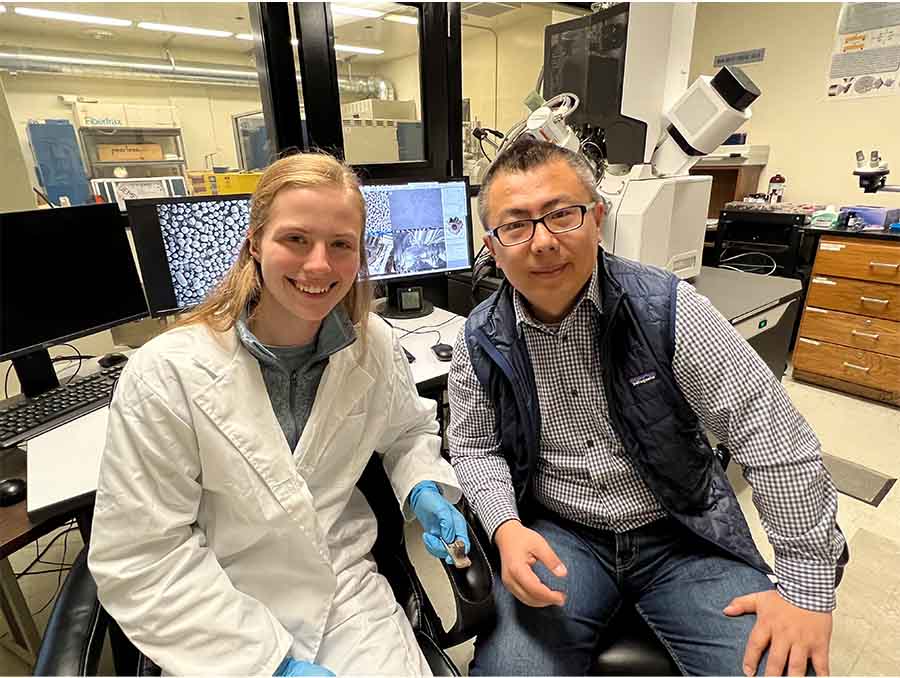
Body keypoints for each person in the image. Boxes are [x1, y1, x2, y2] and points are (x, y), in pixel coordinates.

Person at [448, 138, 847, 677]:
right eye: (516, 225)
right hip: (562, 537)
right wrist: (505, 527)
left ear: (597, 218)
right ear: (493, 247)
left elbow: (774, 439)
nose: (542, 242)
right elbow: (476, 448)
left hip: (683, 533)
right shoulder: (481, 339)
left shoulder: (667, 309)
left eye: (562, 215)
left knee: (780, 669)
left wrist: (805, 589)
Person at [89, 152, 469, 677]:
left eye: (341, 245)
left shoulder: (371, 345)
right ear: (254, 243)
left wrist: (424, 486)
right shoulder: (166, 374)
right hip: (220, 615)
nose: (319, 265)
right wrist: (272, 666)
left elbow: (406, 431)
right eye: (296, 240)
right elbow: (144, 557)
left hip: (344, 593)